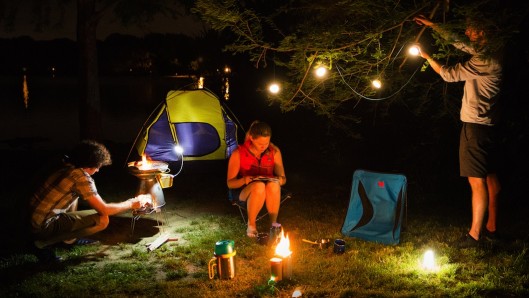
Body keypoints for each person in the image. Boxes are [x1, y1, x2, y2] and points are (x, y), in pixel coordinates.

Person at [413, 15, 502, 248]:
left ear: (482, 32)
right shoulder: (493, 51)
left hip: (476, 127)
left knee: (477, 181)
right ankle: (492, 229)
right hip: (489, 126)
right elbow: (460, 43)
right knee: (491, 178)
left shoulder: (485, 60)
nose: (466, 31)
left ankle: (474, 235)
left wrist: (426, 57)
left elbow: (448, 74)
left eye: (471, 29)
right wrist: (433, 26)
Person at [29, 140, 149, 262]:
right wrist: (131, 203)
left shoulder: (66, 165)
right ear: (90, 163)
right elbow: (104, 209)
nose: (98, 170)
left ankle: (69, 239)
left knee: (76, 197)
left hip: (29, 218)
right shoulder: (81, 178)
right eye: (98, 166)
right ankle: (42, 244)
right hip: (42, 226)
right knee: (102, 219)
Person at [227, 121, 287, 237]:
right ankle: (251, 225)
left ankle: (273, 226)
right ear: (251, 138)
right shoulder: (238, 153)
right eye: (260, 144)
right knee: (258, 185)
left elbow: (284, 179)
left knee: (274, 185)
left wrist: (279, 180)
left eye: (267, 142)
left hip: (269, 189)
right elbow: (230, 184)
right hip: (243, 191)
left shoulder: (274, 151)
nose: (264, 147)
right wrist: (245, 180)